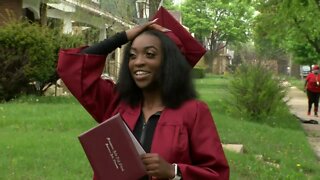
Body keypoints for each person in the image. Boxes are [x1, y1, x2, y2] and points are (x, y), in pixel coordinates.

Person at [57, 7, 229, 180]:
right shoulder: (116, 102)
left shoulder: (194, 112)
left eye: (149, 54)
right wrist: (124, 36)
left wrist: (174, 172)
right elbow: (72, 68)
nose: (138, 62)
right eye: (132, 55)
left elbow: (217, 174)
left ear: (170, 62)